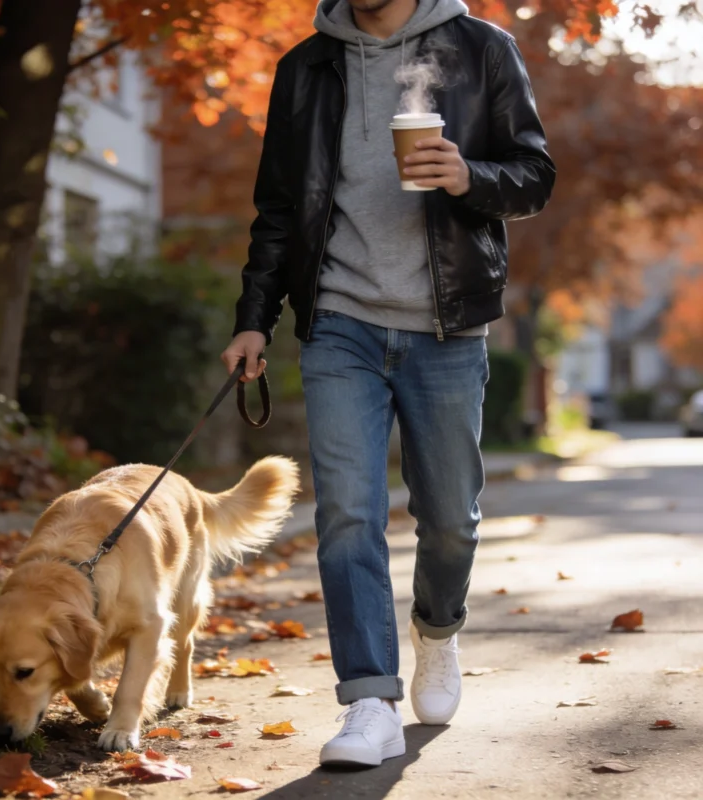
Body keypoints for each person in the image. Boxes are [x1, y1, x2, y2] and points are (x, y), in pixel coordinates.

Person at [221, 0, 555, 769]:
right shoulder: (305, 67)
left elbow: (535, 175)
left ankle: (437, 631)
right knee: (347, 513)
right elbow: (279, 211)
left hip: (447, 326)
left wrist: (469, 175)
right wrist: (253, 319)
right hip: (340, 321)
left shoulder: (482, 49)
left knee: (450, 520)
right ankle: (368, 699)